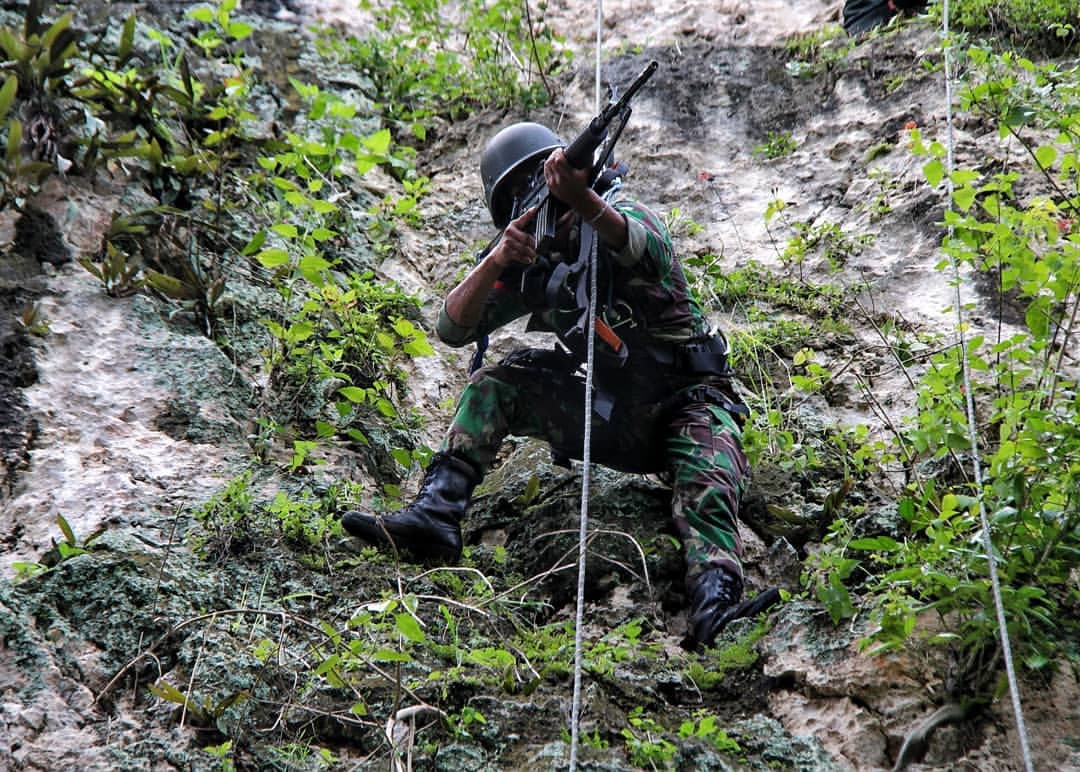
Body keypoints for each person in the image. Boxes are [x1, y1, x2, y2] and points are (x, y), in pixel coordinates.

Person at [342, 121, 764, 650]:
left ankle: (715, 604)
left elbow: (642, 247)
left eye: (549, 193)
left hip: (690, 405)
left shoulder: (622, 216)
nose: (554, 210)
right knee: (496, 382)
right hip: (610, 415)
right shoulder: (537, 265)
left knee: (707, 478)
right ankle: (436, 514)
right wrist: (499, 258)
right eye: (538, 200)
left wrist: (582, 201)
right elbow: (452, 327)